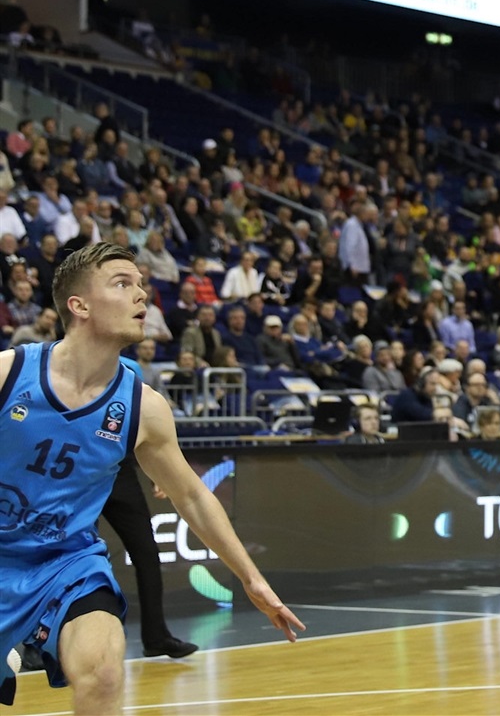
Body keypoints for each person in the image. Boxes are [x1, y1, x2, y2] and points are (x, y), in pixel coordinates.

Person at [0, 243, 302, 710]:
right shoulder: (9, 372)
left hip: (66, 565)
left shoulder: (144, 408)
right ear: (78, 306)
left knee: (102, 671)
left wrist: (250, 577)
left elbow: (193, 496)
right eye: (123, 283)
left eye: (142, 284)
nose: (142, 295)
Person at [100, 460, 199, 659]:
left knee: (147, 554)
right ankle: (39, 642)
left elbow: (139, 434)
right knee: (70, 555)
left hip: (120, 471)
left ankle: (156, 637)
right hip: (78, 475)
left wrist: (157, 472)